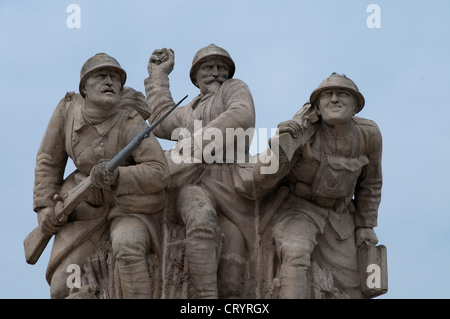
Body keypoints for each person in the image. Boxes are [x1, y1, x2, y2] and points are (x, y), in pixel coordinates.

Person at [33, 53, 170, 298]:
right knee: (61, 287)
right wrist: (44, 206)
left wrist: (118, 176)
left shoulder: (130, 120)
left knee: (127, 247)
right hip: (83, 206)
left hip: (128, 206)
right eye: (101, 76)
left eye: (115, 77)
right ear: (84, 86)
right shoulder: (67, 110)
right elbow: (48, 159)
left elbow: (159, 172)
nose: (109, 82)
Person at [254, 72, 382, 298]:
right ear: (318, 107)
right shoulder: (302, 130)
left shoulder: (368, 135)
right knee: (296, 252)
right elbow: (261, 177)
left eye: (342, 94)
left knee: (355, 287)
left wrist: (366, 225)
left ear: (356, 107)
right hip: (299, 210)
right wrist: (281, 144)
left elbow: (370, 183)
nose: (334, 99)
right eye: (327, 95)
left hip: (340, 219)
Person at [144, 44, 257, 298]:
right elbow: (161, 119)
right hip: (195, 183)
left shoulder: (234, 89)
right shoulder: (189, 111)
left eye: (221, 67)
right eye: (208, 67)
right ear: (195, 76)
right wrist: (158, 77)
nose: (216, 72)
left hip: (232, 184)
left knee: (234, 271)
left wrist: (191, 147)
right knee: (201, 218)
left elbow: (241, 116)